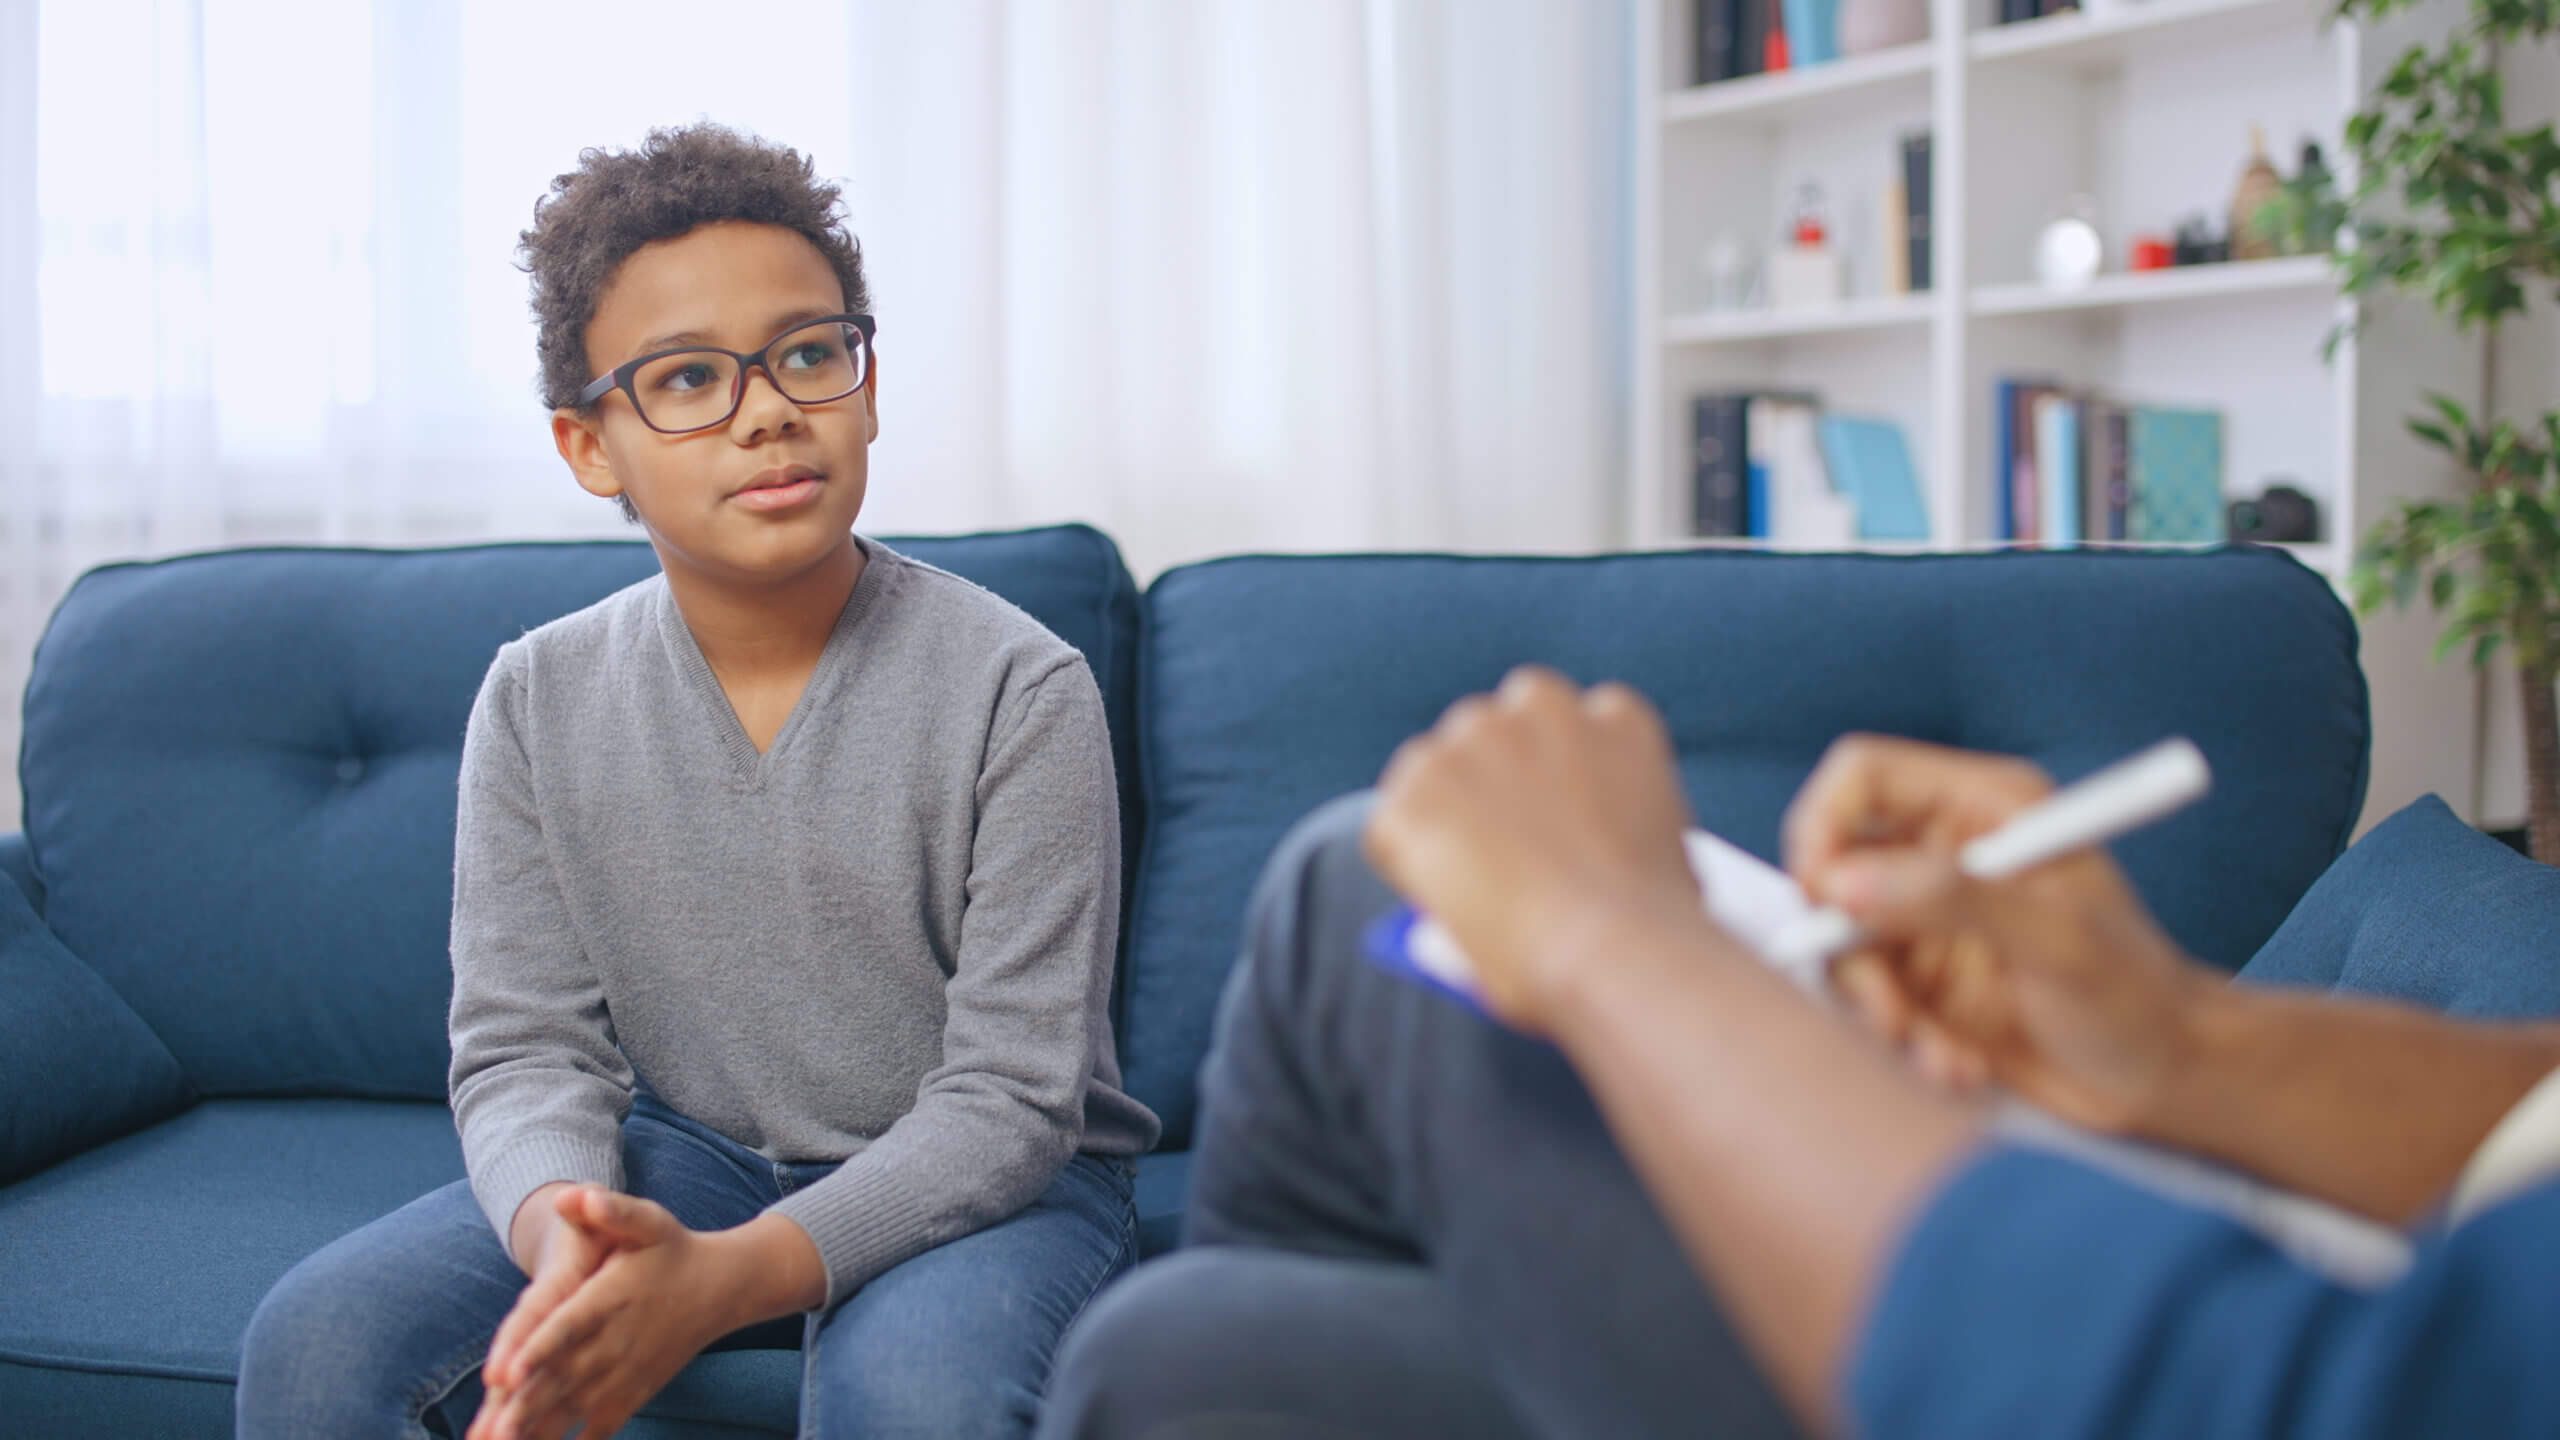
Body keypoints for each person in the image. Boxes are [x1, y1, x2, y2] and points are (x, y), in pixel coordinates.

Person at [236, 122, 1158, 1440]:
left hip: (999, 1180)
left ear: (867, 381)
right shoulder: (539, 695)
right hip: (693, 1154)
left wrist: (726, 1282)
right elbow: (522, 1052)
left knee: (918, 1396)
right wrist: (568, 1233)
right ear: (590, 448)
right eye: (686, 378)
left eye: (807, 352)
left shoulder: (1023, 689)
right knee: (316, 1341)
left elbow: (1013, 1103)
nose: (769, 407)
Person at [1040, 666, 2560, 1438]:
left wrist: (1608, 932)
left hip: (2140, 1358)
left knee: (1362, 888)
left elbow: (2219, 1396)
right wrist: (2185, 1036)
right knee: (1169, 1358)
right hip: (2282, 1263)